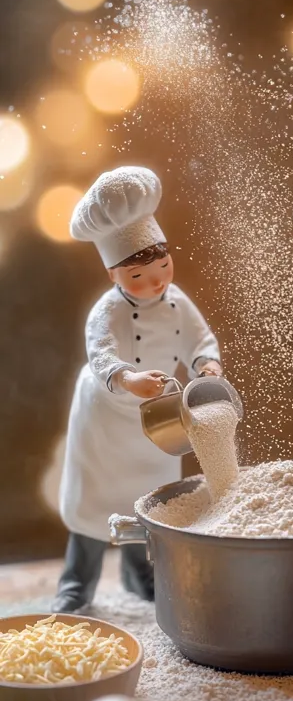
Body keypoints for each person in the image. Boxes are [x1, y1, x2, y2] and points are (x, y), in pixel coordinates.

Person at [53, 165, 222, 613]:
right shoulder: (104, 312)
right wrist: (130, 379)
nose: (156, 281)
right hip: (106, 417)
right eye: (138, 277)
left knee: (146, 503)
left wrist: (206, 365)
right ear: (113, 275)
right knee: (93, 507)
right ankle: (75, 584)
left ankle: (140, 575)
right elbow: (102, 356)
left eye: (163, 266)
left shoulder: (176, 300)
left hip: (160, 417)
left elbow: (199, 339)